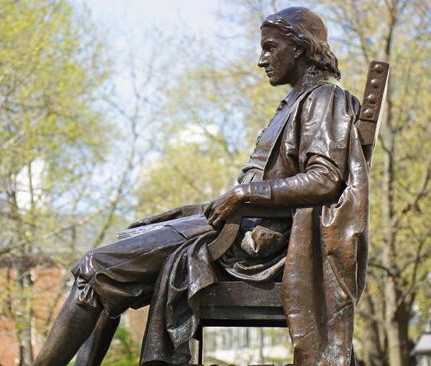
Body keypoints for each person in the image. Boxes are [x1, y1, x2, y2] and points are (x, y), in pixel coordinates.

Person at [34, 7, 369, 366]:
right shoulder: (298, 101)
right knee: (122, 247)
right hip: (239, 232)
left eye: (270, 48)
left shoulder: (325, 99)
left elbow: (325, 179)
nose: (262, 60)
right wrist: (194, 210)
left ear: (301, 48)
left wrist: (242, 194)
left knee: (95, 268)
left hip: (257, 247)